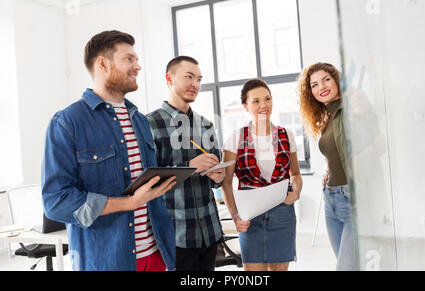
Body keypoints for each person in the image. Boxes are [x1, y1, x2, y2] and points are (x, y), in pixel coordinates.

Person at [41, 30, 176, 271]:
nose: (138, 67)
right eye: (129, 59)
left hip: (156, 254)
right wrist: (129, 203)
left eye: (137, 60)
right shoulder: (68, 122)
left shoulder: (140, 120)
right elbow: (56, 202)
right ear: (103, 64)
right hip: (107, 259)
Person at [146, 56, 225, 271]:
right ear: (169, 79)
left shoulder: (206, 125)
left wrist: (218, 177)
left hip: (208, 231)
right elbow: (147, 181)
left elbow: (217, 176)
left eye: (199, 79)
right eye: (189, 77)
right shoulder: (149, 124)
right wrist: (190, 168)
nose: (195, 85)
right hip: (175, 233)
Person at [221, 79, 303, 271]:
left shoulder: (286, 134)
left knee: (279, 269)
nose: (264, 105)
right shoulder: (236, 137)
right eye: (256, 101)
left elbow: (296, 174)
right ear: (245, 106)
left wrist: (296, 192)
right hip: (251, 215)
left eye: (267, 99)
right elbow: (226, 183)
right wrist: (235, 216)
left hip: (282, 212)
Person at [298, 62, 356, 271]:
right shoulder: (328, 116)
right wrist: (329, 171)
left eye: (326, 79)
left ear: (337, 80)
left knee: (346, 268)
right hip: (331, 198)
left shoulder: (352, 108)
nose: (320, 86)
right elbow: (337, 151)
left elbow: (375, 144)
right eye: (314, 85)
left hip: (352, 200)